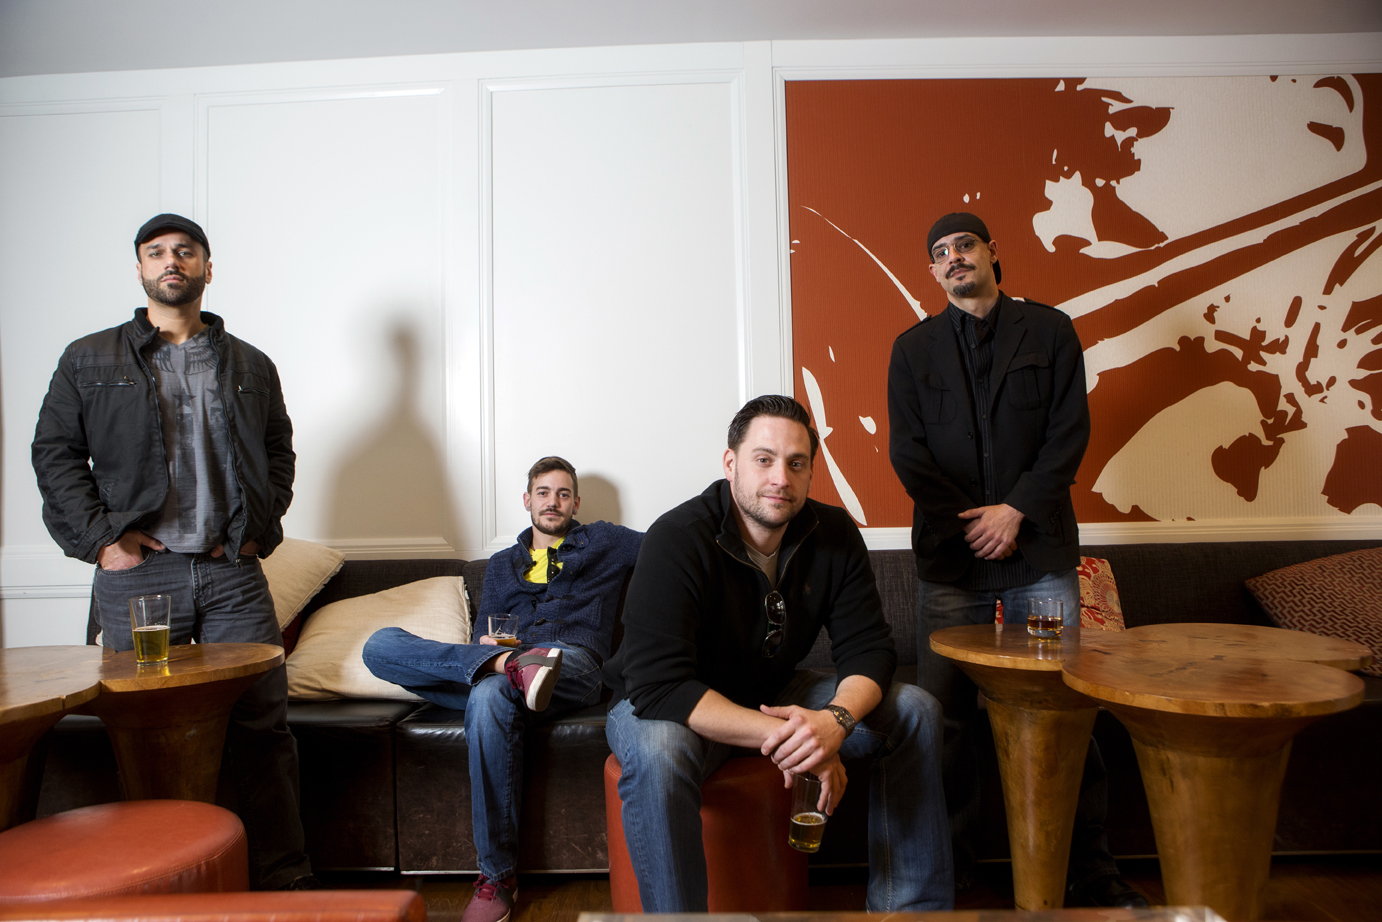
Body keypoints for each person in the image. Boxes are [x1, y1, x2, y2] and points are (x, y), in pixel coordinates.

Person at [31, 213, 315, 890]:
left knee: (262, 728)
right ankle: (154, 884)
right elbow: (55, 453)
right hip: (139, 578)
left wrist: (261, 526)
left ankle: (285, 881)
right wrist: (102, 540)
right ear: (139, 269)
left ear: (207, 268)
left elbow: (278, 452)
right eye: (156, 252)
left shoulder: (250, 363)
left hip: (231, 573)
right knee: (142, 732)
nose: (170, 262)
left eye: (184, 251)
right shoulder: (89, 358)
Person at [603, 395, 953, 913]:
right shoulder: (676, 537)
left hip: (772, 691)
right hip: (670, 704)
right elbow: (660, 685)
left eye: (796, 463)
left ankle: (910, 912)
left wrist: (834, 721)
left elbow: (869, 649)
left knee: (916, 711)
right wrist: (805, 739)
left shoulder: (834, 533)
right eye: (763, 459)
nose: (780, 478)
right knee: (660, 753)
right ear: (730, 464)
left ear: (811, 471)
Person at [886, 212, 1146, 908]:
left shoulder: (1051, 330)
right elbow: (908, 453)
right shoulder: (911, 350)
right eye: (940, 252)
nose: (954, 257)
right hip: (953, 564)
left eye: (965, 245)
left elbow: (1069, 434)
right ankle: (950, 873)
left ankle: (1090, 872)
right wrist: (975, 522)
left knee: (1063, 714)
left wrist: (1015, 513)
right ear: (933, 272)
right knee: (945, 724)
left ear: (992, 253)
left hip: (1040, 563)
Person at [363, 456, 641, 922]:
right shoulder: (500, 566)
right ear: (527, 499)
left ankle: (496, 878)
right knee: (380, 646)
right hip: (506, 668)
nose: (553, 502)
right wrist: (494, 652)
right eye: (544, 492)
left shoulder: (606, 541)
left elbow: (671, 546)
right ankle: (514, 667)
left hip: (573, 665)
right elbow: (479, 639)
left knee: (490, 691)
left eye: (563, 494)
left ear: (576, 503)